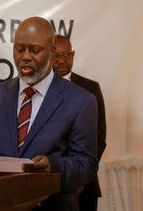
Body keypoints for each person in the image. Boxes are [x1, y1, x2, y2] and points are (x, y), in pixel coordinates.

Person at [0, 17, 98, 211]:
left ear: (52, 53)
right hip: (0, 204)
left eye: (34, 50)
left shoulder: (81, 101)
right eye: (19, 49)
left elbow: (86, 166)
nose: (25, 56)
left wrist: (52, 166)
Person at [52, 35, 106, 211]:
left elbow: (99, 138)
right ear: (47, 55)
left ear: (73, 55)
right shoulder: (36, 88)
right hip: (47, 184)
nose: (62, 61)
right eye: (56, 55)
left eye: (66, 55)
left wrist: (81, 174)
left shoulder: (91, 88)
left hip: (85, 185)